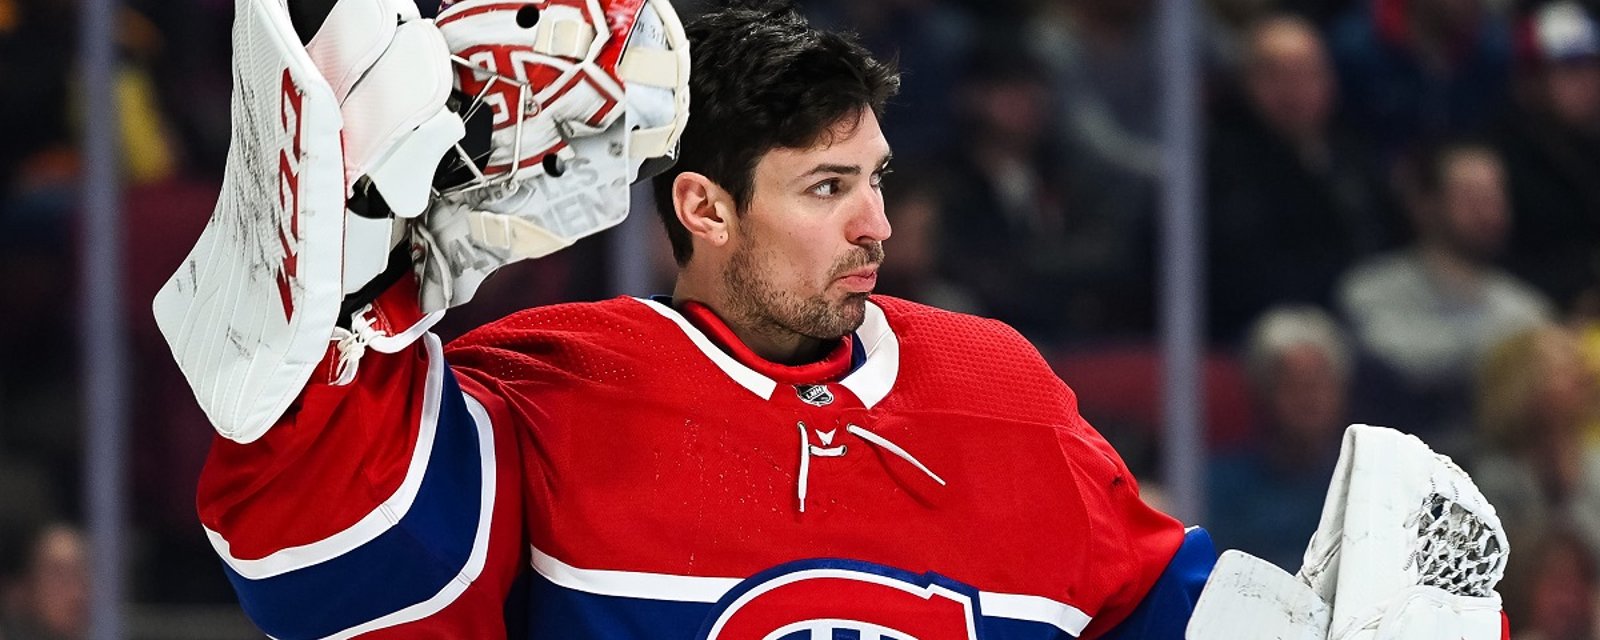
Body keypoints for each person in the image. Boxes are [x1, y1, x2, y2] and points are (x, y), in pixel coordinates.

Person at [181, 1, 1215, 638]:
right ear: (705, 207)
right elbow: (329, 581)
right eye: (824, 189)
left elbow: (1158, 603)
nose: (877, 226)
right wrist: (361, 328)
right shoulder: (551, 387)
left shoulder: (999, 386)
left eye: (875, 180)